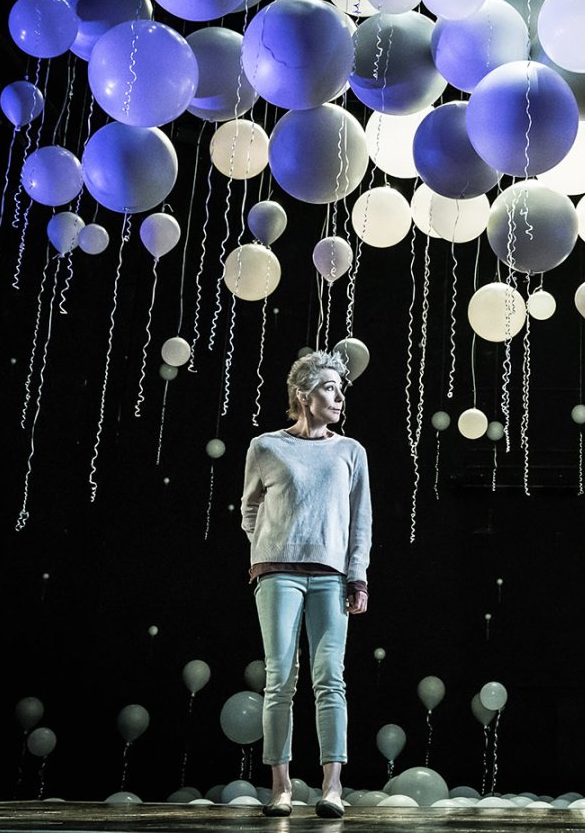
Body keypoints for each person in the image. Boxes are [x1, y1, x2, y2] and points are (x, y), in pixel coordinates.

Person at [241, 349, 373, 818]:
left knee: (330, 679)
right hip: (277, 572)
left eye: (341, 389)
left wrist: (358, 576)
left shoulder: (351, 451)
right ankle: (280, 789)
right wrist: (271, 546)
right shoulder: (266, 447)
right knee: (280, 678)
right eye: (329, 388)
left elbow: (361, 522)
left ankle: (331, 787)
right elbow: (250, 509)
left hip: (331, 577)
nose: (339, 397)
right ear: (303, 395)